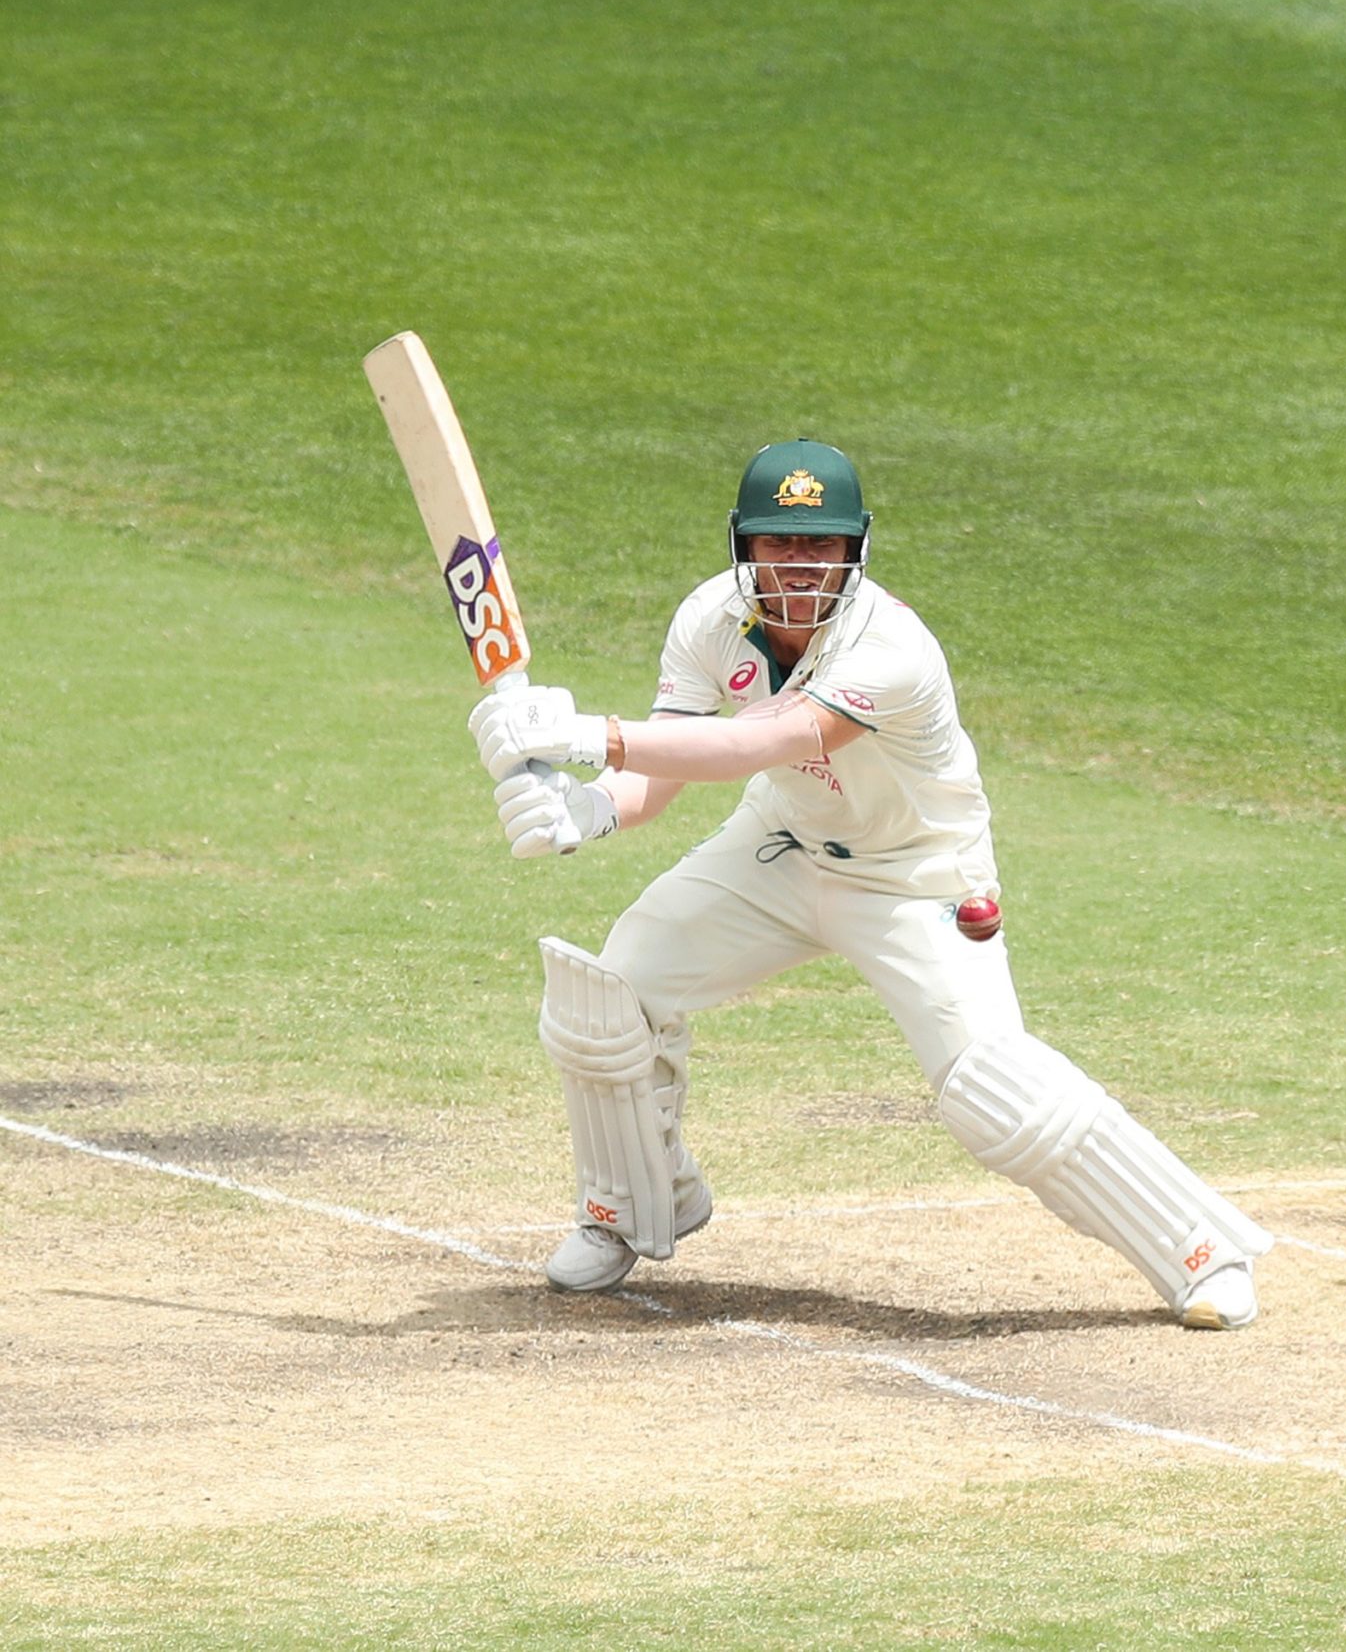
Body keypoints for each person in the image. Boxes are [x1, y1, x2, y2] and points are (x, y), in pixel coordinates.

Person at [465, 438, 1269, 1328]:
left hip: (916, 879)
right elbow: (669, 764)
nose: (802, 567)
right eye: (780, 544)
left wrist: (589, 737)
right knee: (609, 995)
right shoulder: (708, 619)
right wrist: (595, 809)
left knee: (995, 1092)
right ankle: (634, 1206)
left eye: (822, 546)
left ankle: (1201, 1248)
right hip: (782, 845)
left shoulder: (890, 648)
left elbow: (754, 744)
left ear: (856, 547)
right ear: (743, 545)